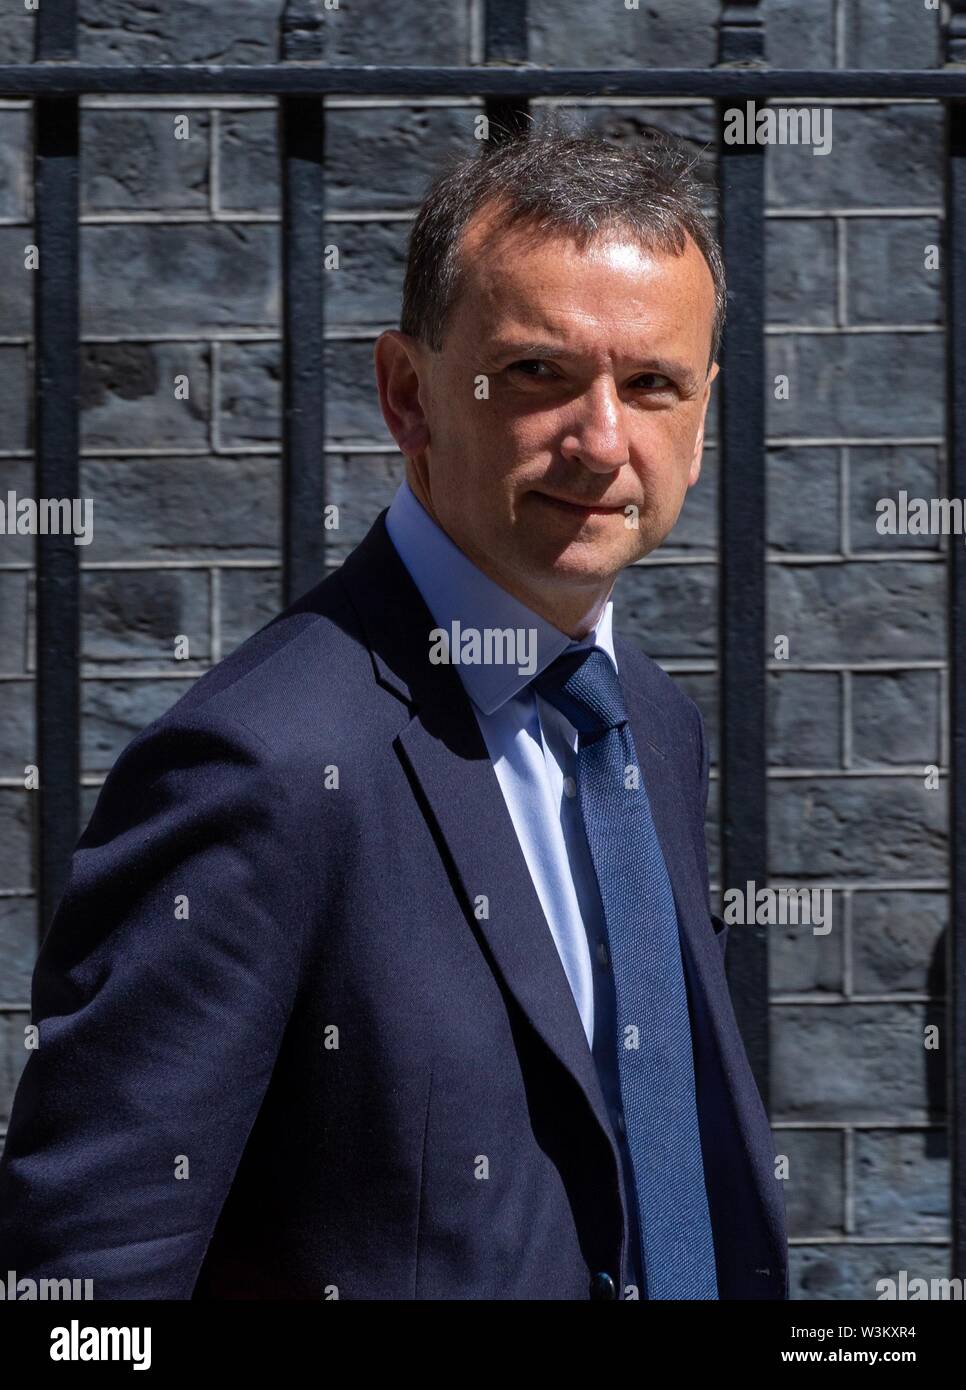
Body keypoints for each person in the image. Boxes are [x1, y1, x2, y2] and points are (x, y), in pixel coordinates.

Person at [0, 124, 788, 1300]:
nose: (604, 440)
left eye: (653, 384)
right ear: (407, 393)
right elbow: (91, 1283)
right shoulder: (259, 766)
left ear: (705, 411)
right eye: (538, 373)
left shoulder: (647, 726)